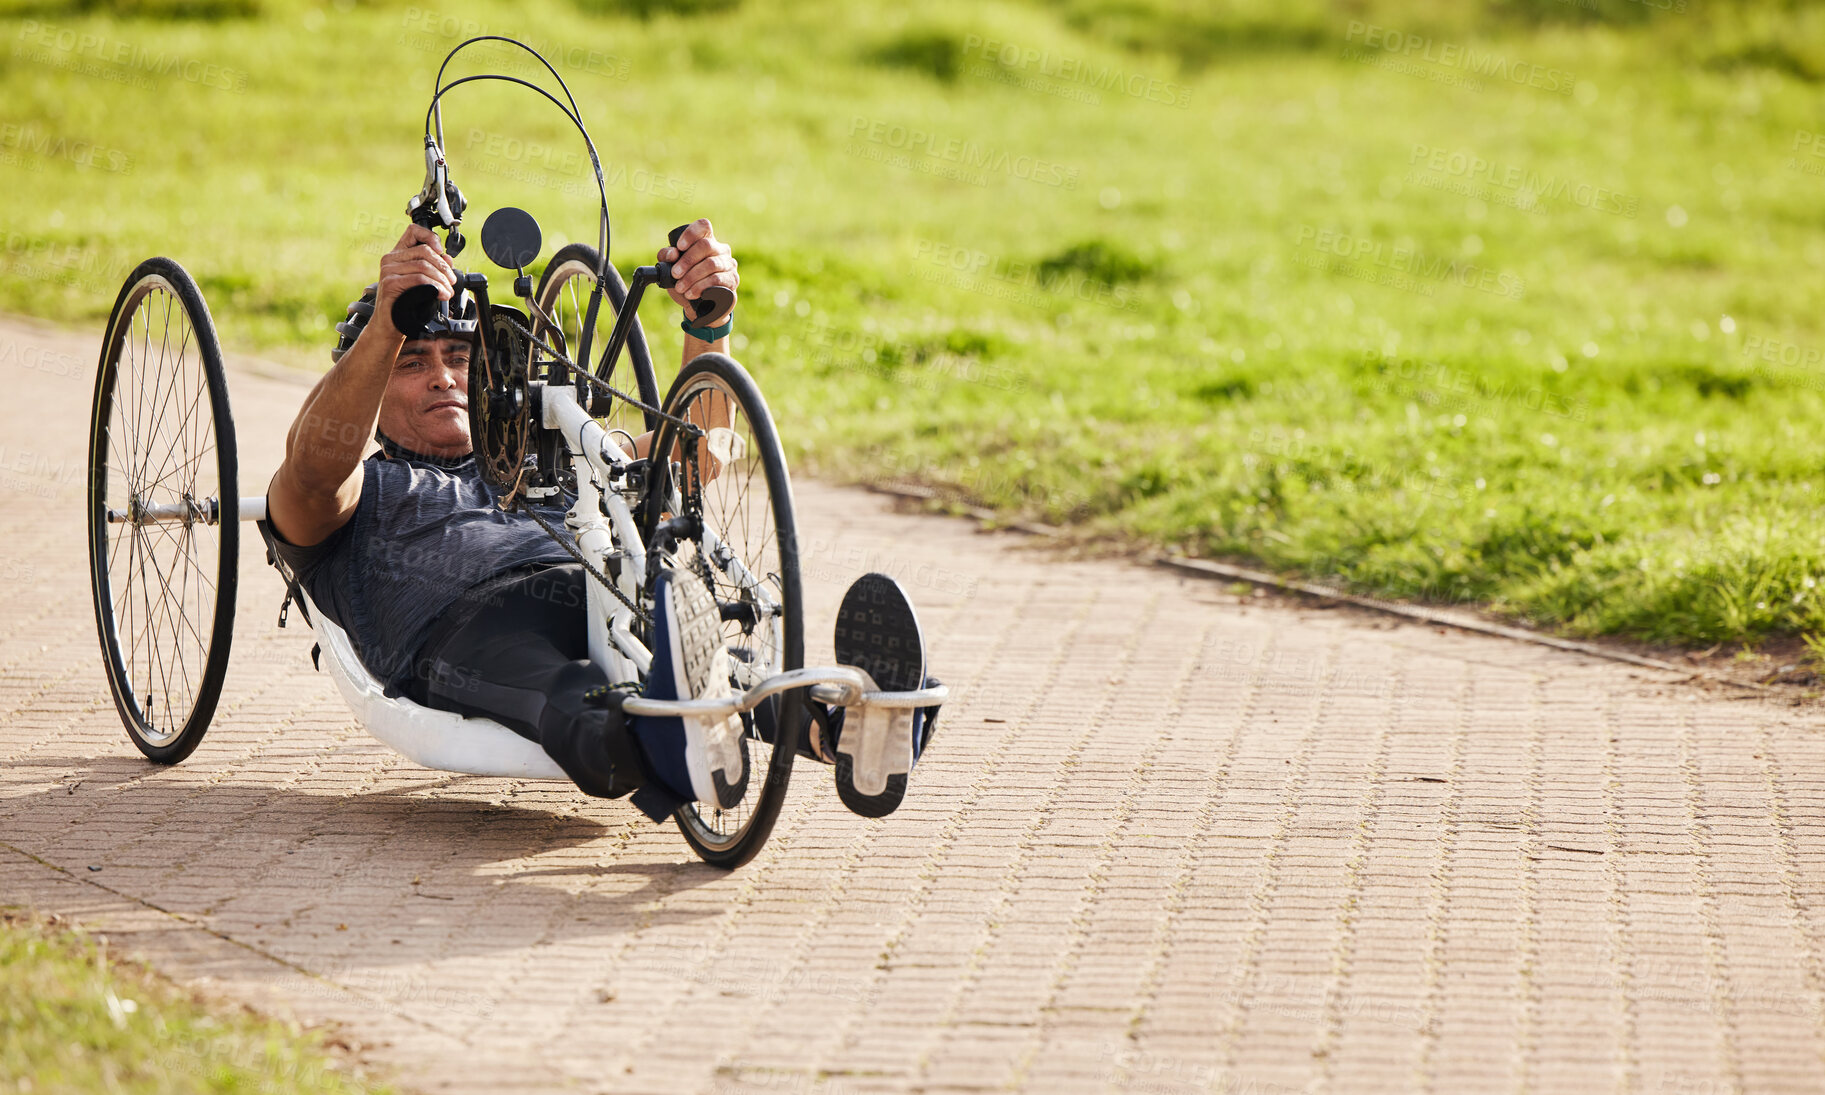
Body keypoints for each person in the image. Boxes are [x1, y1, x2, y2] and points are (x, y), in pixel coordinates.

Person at [265, 219, 938, 821]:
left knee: (716, 666)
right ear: (373, 383)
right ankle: (667, 744)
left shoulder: (545, 457)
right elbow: (313, 467)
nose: (443, 377)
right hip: (464, 629)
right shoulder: (354, 490)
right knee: (576, 690)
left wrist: (708, 324)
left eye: (461, 359)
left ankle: (848, 726)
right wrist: (388, 323)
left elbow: (694, 454)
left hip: (598, 588)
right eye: (413, 363)